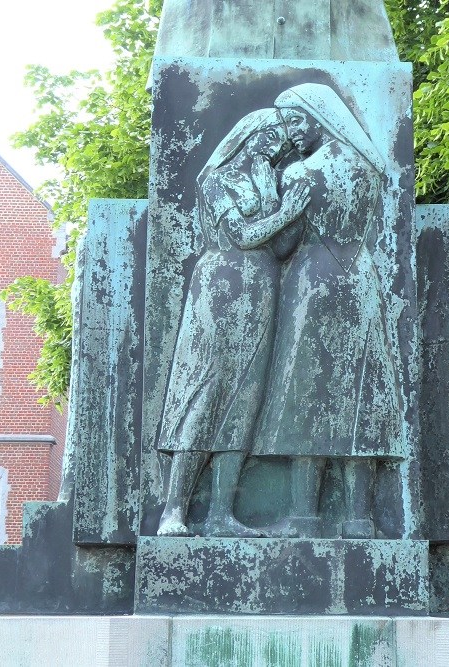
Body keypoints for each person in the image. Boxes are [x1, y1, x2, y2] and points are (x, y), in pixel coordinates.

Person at [243, 83, 404, 539]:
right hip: (360, 280)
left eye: (297, 121)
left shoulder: (299, 175)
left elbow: (283, 244)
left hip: (313, 283)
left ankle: (304, 516)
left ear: (319, 117)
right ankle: (359, 520)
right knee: (359, 394)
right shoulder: (368, 170)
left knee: (306, 396)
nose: (292, 133)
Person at [155, 108, 300, 537]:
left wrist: (295, 214)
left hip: (262, 287)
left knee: (245, 400)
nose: (281, 141)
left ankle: (222, 514)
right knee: (207, 393)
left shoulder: (272, 181)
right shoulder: (216, 180)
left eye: (285, 135)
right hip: (221, 286)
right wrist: (288, 214)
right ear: (250, 133)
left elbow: (280, 247)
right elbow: (242, 235)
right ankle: (173, 511)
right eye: (273, 132)